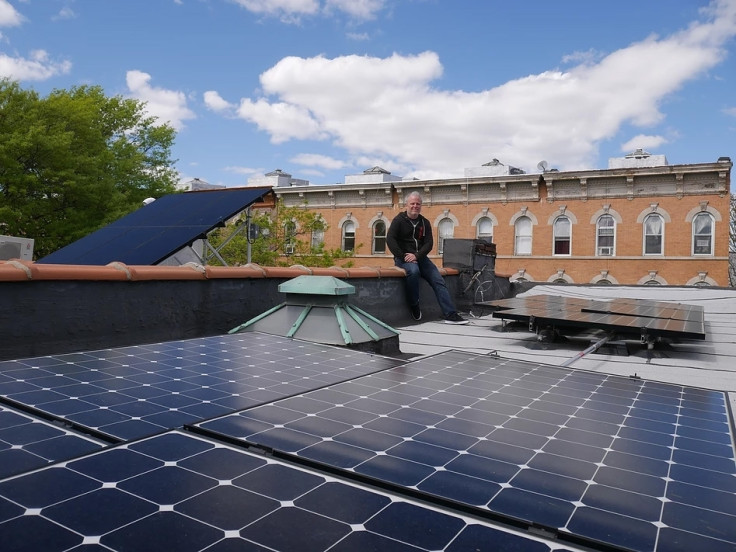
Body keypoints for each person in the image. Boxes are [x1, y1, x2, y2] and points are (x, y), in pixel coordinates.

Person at [387, 191, 468, 325]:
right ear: (406, 205)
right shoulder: (398, 220)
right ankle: (414, 304)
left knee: (438, 279)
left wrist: (417, 255)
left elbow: (429, 243)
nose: (415, 206)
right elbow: (390, 240)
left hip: (421, 258)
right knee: (413, 271)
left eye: (418, 204)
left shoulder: (424, 222)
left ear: (421, 206)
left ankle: (450, 313)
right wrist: (403, 256)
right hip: (403, 258)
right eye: (412, 203)